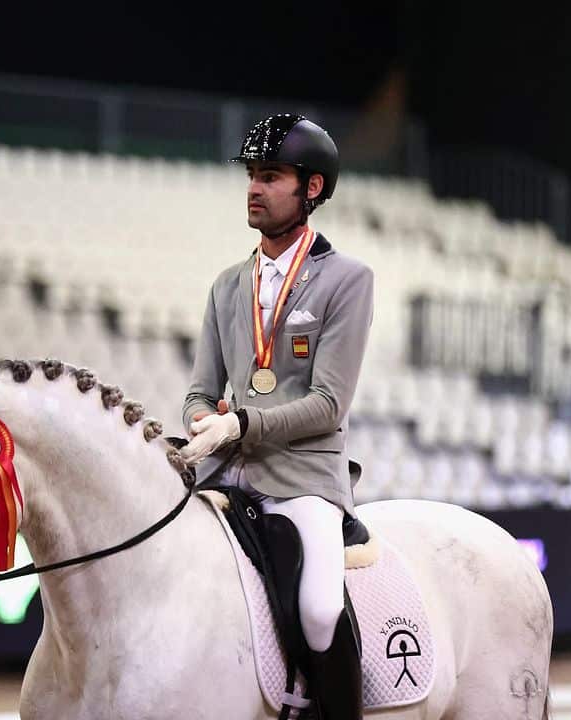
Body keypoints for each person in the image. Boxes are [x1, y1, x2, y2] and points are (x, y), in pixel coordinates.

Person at [180, 114, 374, 720]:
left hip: (304, 480)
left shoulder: (347, 280)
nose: (254, 189)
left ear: (311, 189)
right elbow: (199, 391)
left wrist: (239, 424)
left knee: (318, 608)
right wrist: (198, 424)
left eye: (271, 176)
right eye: (251, 176)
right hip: (230, 476)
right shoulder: (226, 287)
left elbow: (328, 406)